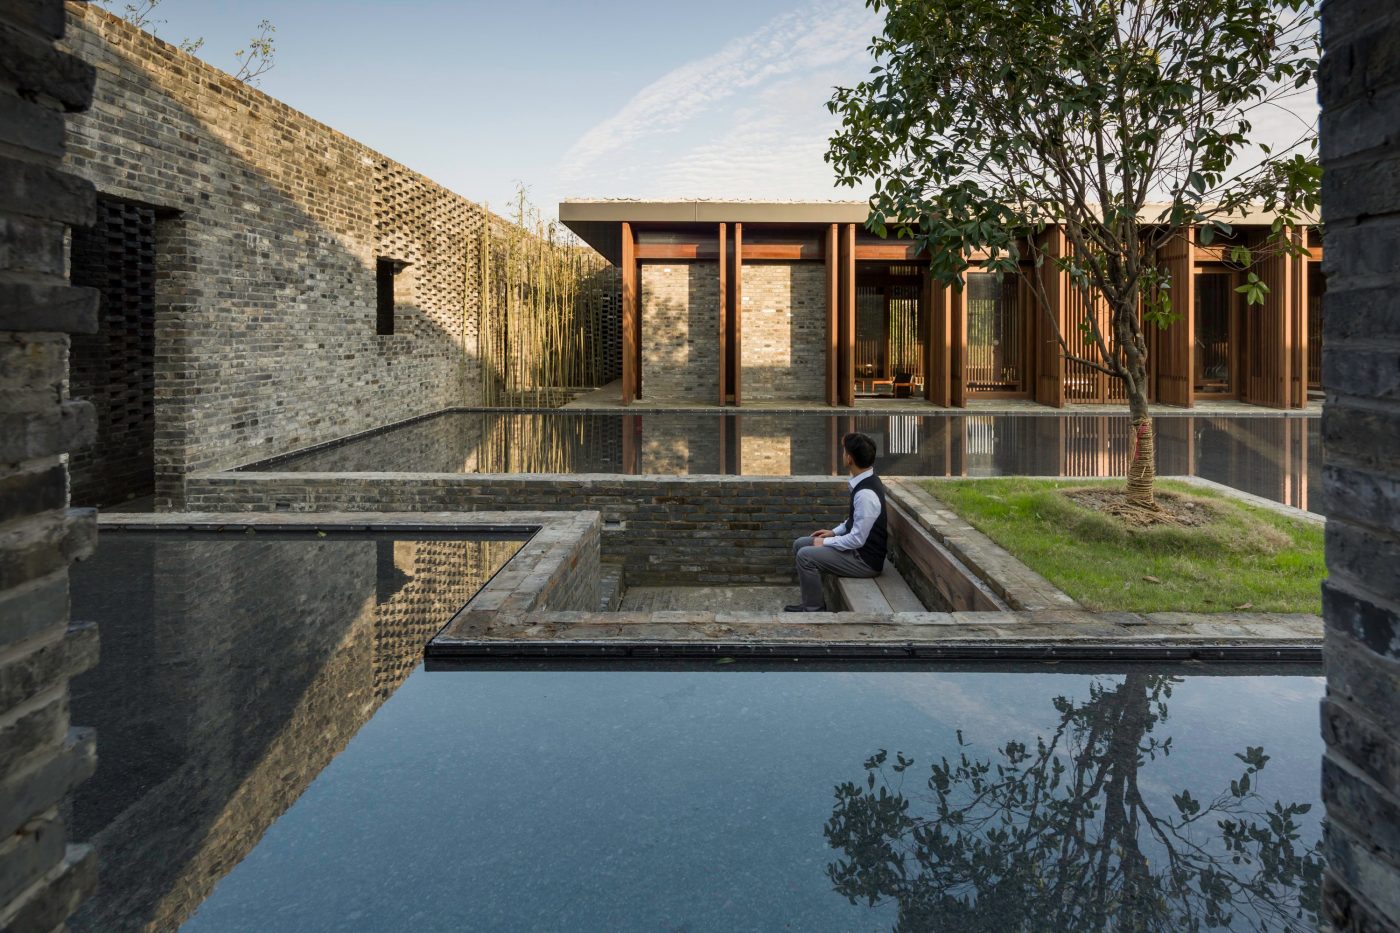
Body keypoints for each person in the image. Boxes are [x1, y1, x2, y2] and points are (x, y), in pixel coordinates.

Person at [786, 432, 887, 612]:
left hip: (864, 561)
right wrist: (833, 532)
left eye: (843, 452)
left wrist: (825, 542)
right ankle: (812, 597)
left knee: (805, 555)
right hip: (856, 551)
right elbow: (854, 520)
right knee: (800, 544)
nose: (842, 455)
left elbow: (857, 539)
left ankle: (813, 608)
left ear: (849, 459)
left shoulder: (865, 495)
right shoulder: (865, 481)